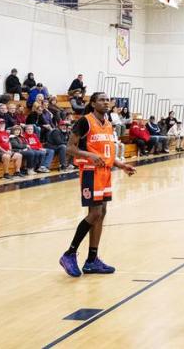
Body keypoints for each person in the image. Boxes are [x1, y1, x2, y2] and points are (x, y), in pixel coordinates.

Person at [59, 92, 136, 278]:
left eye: (107, 100)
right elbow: (69, 148)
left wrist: (121, 165)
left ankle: (92, 260)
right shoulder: (85, 121)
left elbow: (107, 153)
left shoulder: (109, 124)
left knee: (102, 214)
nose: (106, 102)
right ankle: (69, 254)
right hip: (89, 172)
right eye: (101, 99)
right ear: (93, 103)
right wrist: (89, 155)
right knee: (95, 213)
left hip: (105, 173)